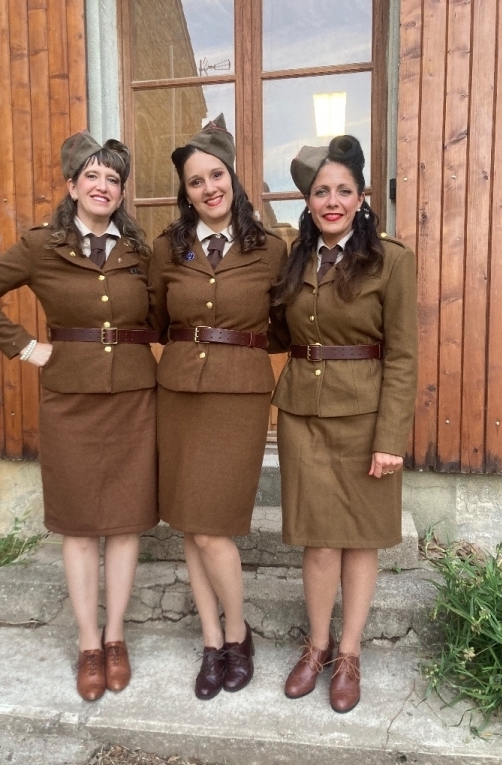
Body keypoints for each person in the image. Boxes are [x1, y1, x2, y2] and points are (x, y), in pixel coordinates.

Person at [0, 132, 159, 702]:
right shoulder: (42, 246)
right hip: (69, 400)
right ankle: (88, 643)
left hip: (134, 398)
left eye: (113, 179)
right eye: (92, 176)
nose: (102, 186)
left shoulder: (140, 251)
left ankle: (116, 637)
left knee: (125, 521)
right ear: (72, 186)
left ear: (121, 193)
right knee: (79, 524)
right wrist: (26, 348)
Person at [269, 135, 417, 712]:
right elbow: (278, 330)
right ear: (307, 202)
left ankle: (349, 653)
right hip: (303, 414)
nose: (332, 201)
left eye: (343, 191)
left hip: (365, 417)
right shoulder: (295, 258)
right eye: (321, 192)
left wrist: (390, 439)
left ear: (361, 198)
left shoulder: (391, 260)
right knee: (318, 539)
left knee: (360, 538)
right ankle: (317, 646)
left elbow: (402, 356)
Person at [148, 115, 287, 700]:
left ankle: (238, 632)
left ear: (233, 177)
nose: (209, 188)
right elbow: (157, 320)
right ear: (185, 192)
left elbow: (285, 325)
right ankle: (213, 641)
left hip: (239, 397)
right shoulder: (166, 248)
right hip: (179, 393)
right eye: (196, 181)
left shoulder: (271, 249)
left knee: (213, 528)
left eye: (216, 175)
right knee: (191, 521)